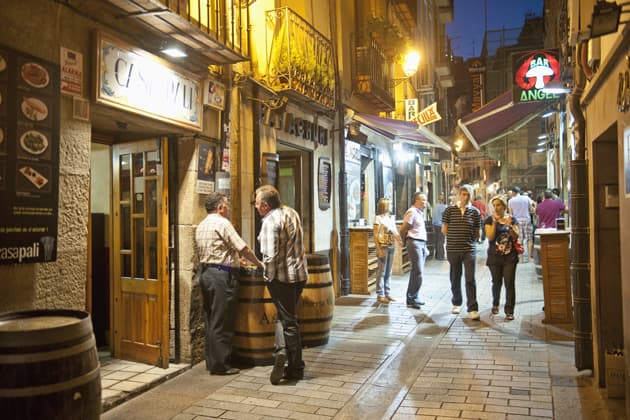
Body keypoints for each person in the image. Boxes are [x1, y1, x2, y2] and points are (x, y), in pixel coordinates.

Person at [195, 192, 263, 375]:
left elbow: (216, 250)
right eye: (227, 205)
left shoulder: (201, 225)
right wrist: (259, 263)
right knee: (222, 320)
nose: (228, 209)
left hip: (206, 274)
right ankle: (221, 366)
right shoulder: (223, 223)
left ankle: (212, 361)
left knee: (211, 319)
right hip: (222, 277)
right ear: (220, 207)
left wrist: (233, 260)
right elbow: (244, 248)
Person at [254, 185, 308, 385]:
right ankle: (282, 351)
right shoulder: (291, 212)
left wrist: (267, 277)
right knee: (286, 316)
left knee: (289, 322)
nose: (256, 206)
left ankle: (296, 368)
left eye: (257, 203)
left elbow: (270, 256)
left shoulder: (270, 221)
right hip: (300, 275)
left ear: (265, 206)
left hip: (283, 279)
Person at [442, 184, 482, 320]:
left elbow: (477, 232)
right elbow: (444, 229)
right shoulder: (449, 210)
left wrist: (471, 239)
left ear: (471, 195)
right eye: (463, 194)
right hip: (453, 249)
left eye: (468, 194)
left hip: (469, 249)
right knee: (455, 276)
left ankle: (472, 308)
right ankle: (456, 302)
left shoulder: (475, 212)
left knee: (470, 279)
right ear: (459, 195)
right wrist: (454, 238)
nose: (465, 197)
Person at [485, 195, 519, 321]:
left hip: (510, 256)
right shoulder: (489, 220)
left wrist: (510, 226)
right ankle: (495, 303)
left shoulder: (512, 219)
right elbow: (490, 236)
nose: (496, 208)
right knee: (496, 282)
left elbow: (516, 236)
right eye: (494, 206)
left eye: (498, 205)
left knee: (509, 283)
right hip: (494, 257)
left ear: (504, 206)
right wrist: (494, 222)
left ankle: (509, 311)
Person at [399, 192, 428, 309]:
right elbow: (403, 229)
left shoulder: (419, 213)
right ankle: (411, 297)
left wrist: (425, 247)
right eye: (423, 200)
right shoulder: (412, 212)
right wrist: (404, 241)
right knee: (418, 270)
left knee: (417, 271)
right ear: (416, 200)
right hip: (414, 242)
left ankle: (414, 296)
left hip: (421, 243)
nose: (425, 202)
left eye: (425, 200)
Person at [373, 198, 403, 304]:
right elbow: (376, 235)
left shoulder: (391, 218)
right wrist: (379, 249)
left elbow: (394, 231)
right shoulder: (378, 218)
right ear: (384, 206)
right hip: (383, 246)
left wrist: (399, 240)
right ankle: (380, 294)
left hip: (391, 246)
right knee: (381, 271)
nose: (392, 206)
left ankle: (388, 293)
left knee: (388, 271)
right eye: (390, 204)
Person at [508, 186, 535, 262]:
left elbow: (510, 214)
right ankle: (529, 258)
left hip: (517, 221)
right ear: (519, 192)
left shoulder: (511, 201)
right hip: (527, 220)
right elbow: (531, 208)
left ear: (513, 192)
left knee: (519, 239)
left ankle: (521, 259)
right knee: (529, 238)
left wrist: (511, 224)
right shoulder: (526, 198)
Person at [432, 193, 447, 260]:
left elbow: (433, 216)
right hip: (441, 225)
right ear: (443, 200)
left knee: (436, 240)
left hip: (435, 225)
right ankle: (440, 256)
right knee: (441, 241)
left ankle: (436, 255)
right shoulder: (444, 207)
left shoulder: (434, 206)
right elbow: (445, 217)